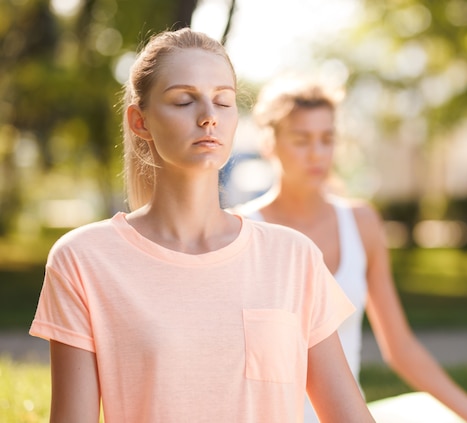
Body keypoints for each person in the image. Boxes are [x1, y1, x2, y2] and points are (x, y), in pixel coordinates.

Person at [29, 28, 375, 423]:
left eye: (223, 101)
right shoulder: (83, 260)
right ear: (140, 121)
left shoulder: (294, 257)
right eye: (183, 100)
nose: (209, 116)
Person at [234, 76, 467, 423]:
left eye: (327, 139)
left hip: (350, 416)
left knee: (434, 412)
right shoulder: (239, 230)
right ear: (270, 143)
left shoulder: (361, 223)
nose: (316, 153)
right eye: (301, 140)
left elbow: (400, 347)